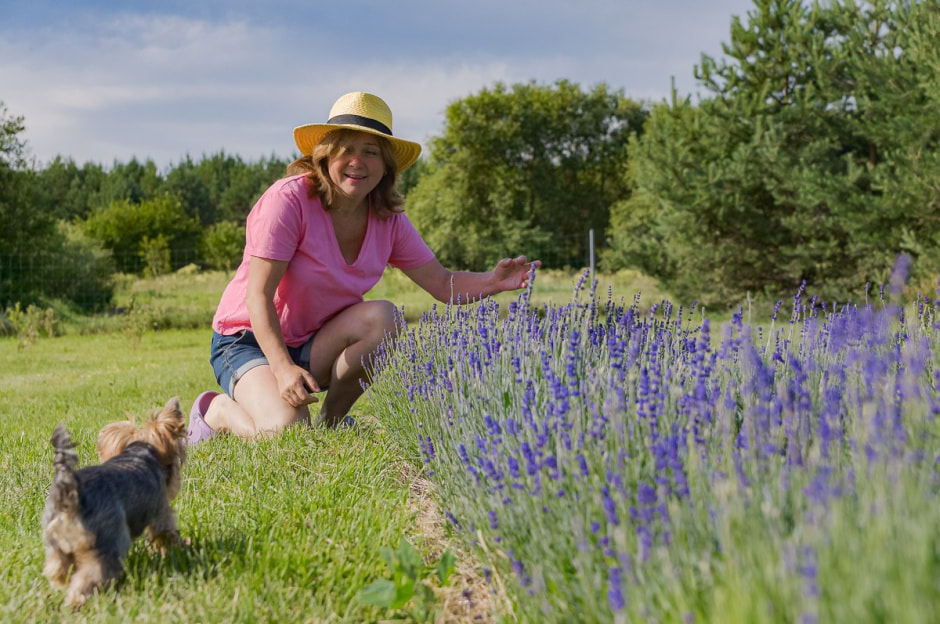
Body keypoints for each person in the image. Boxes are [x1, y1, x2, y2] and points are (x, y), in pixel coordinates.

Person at [187, 91, 540, 443]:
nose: (357, 162)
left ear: (386, 165)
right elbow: (258, 295)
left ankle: (331, 425)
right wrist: (281, 369)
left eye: (370, 152)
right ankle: (217, 411)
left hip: (313, 341)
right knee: (287, 432)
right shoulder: (289, 200)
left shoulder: (388, 219)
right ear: (326, 155)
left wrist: (493, 281)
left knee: (384, 318)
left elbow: (442, 282)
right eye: (346, 150)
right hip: (248, 340)